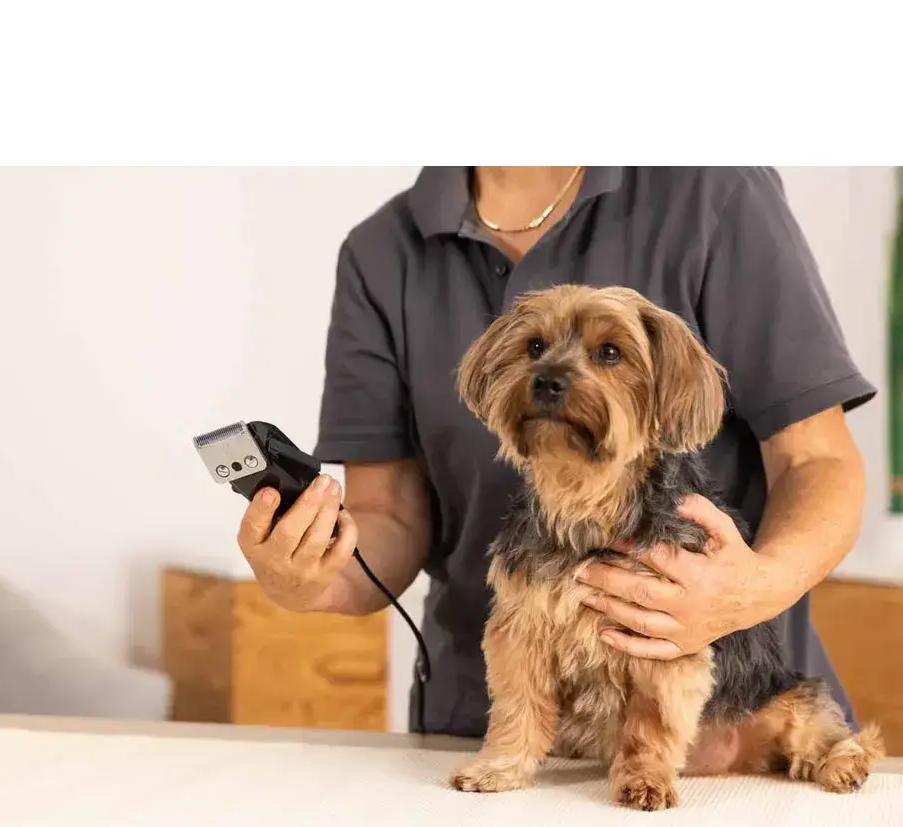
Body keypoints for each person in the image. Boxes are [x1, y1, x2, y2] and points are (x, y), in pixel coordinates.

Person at [237, 166, 874, 758]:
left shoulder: (714, 191)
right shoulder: (384, 250)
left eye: (607, 355)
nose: (553, 374)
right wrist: (313, 579)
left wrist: (751, 590)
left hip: (726, 725)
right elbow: (389, 515)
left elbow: (817, 461)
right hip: (490, 727)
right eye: (536, 350)